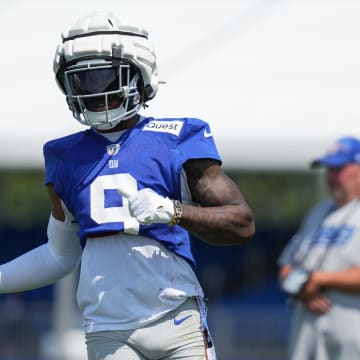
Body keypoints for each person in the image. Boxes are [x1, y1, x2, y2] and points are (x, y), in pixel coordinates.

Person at [0, 12, 255, 360]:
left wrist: (174, 211)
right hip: (107, 327)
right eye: (81, 81)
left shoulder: (178, 138)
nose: (93, 92)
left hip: (176, 317)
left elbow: (241, 224)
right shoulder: (64, 156)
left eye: (103, 78)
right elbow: (60, 255)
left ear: (139, 74)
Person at [278, 135, 360, 360]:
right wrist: (304, 288)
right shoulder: (318, 212)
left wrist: (318, 280)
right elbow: (286, 267)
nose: (331, 177)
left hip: (351, 331)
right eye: (328, 170)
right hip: (308, 331)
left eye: (339, 169)